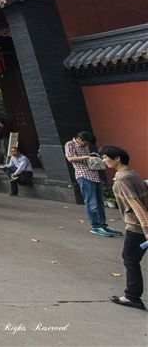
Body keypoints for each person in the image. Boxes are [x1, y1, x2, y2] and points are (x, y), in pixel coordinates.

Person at [100, 146, 148, 310]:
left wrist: (146, 229)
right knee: (132, 259)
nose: (104, 160)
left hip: (137, 227)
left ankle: (132, 296)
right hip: (139, 225)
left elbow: (136, 204)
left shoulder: (123, 180)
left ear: (117, 158)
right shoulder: (131, 174)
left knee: (130, 259)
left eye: (105, 157)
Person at [65, 131, 114, 237]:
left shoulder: (85, 147)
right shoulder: (70, 144)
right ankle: (95, 226)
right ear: (79, 139)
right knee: (92, 202)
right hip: (84, 176)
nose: (86, 145)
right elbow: (70, 158)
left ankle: (103, 224)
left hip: (94, 176)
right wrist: (87, 157)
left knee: (100, 202)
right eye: (85, 143)